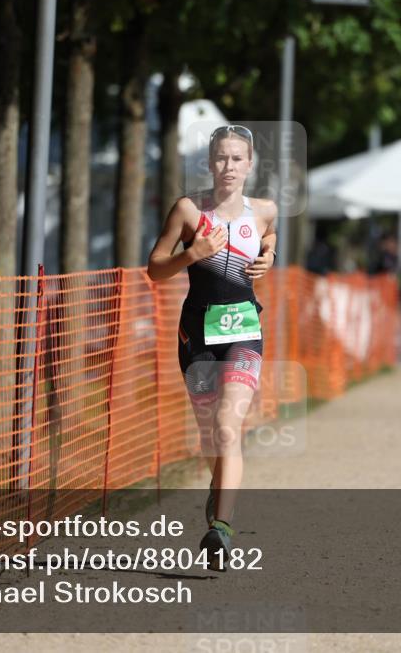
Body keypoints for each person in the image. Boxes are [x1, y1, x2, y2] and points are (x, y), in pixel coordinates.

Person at [146, 124, 277, 570]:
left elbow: (269, 233)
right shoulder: (187, 211)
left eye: (237, 158)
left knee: (227, 426)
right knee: (209, 434)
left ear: (250, 164)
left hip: (243, 332)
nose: (229, 166)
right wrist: (191, 254)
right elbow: (155, 269)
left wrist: (270, 253)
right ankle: (217, 492)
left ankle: (220, 529)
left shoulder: (263, 211)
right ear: (209, 162)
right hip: (196, 335)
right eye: (221, 157)